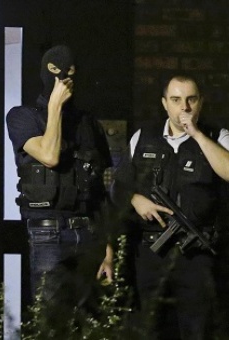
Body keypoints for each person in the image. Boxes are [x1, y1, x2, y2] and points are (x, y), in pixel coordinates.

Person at [110, 73, 229, 339]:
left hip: (197, 255)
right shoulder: (144, 137)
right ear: (165, 103)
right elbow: (118, 186)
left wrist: (197, 135)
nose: (184, 107)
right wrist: (135, 199)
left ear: (200, 102)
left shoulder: (216, 136)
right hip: (151, 253)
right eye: (176, 100)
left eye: (191, 99)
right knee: (150, 329)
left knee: (198, 330)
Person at [5, 44, 114, 308]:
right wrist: (55, 107)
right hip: (48, 236)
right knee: (51, 323)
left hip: (88, 233)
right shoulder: (22, 117)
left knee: (89, 323)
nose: (66, 77)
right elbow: (50, 155)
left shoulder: (88, 124)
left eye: (72, 71)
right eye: (58, 71)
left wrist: (108, 250)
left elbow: (101, 190)